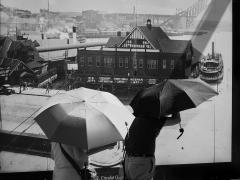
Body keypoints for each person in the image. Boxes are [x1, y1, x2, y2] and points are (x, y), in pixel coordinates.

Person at [124, 112, 181, 180]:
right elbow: (176, 120)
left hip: (129, 160)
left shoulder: (139, 117)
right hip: (140, 163)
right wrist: (176, 108)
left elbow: (148, 136)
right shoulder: (153, 118)